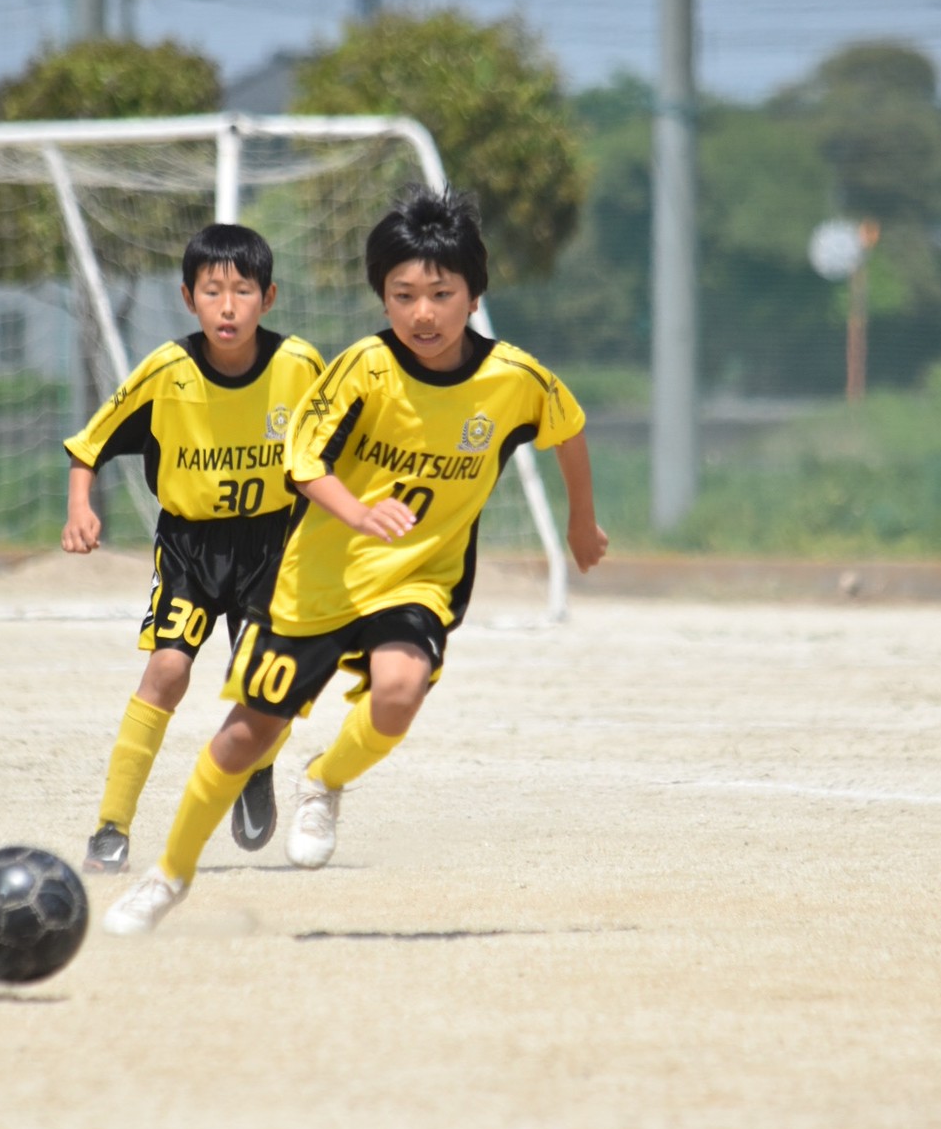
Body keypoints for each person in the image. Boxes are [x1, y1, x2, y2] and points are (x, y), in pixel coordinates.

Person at [103, 184, 608, 934]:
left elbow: (567, 428)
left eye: (441, 293)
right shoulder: (364, 368)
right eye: (403, 295)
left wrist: (582, 526)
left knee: (400, 691)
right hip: (316, 581)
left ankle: (324, 781)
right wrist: (358, 511)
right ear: (383, 298)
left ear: (474, 296)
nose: (422, 312)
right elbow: (304, 465)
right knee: (246, 735)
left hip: (417, 579)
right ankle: (168, 874)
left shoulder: (514, 380)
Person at [62, 223, 325, 875]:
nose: (228, 306)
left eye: (243, 291)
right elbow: (88, 447)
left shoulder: (300, 366)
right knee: (168, 672)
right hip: (189, 545)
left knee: (265, 688)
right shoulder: (167, 371)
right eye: (213, 291)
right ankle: (111, 827)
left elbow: (341, 445)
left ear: (269, 297)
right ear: (188, 298)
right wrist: (79, 509)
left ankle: (255, 766)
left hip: (274, 545)